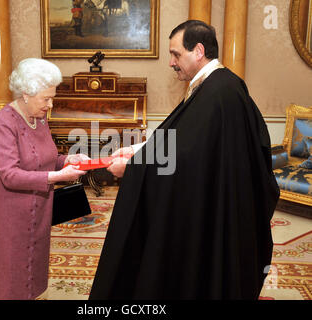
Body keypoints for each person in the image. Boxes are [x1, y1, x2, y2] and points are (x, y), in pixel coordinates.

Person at [89, 20, 280, 299]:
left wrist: (133, 167)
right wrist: (137, 150)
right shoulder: (213, 84)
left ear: (198, 51)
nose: (170, 62)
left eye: (176, 54)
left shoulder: (219, 91)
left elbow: (188, 157)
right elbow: (182, 138)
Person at [0, 58, 88, 300]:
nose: (50, 105)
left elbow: (45, 158)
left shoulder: (39, 118)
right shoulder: (3, 124)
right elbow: (10, 175)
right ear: (26, 93)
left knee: (35, 261)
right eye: (46, 99)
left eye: (52, 98)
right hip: (9, 211)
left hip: (39, 205)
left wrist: (67, 161)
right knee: (10, 269)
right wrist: (58, 176)